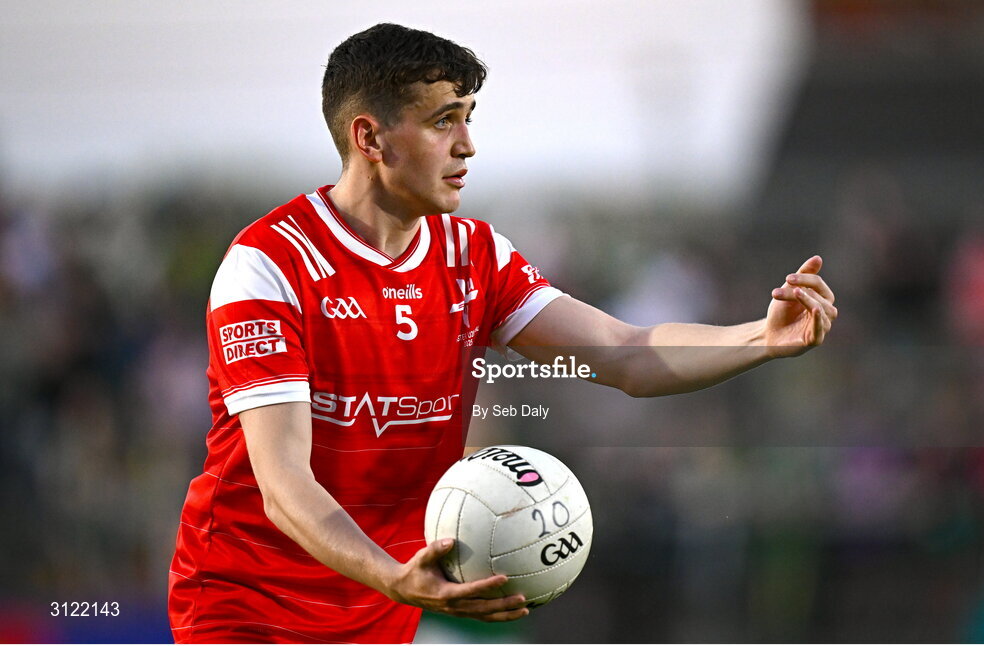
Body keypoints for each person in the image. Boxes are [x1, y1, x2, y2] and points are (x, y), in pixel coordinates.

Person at [168, 22, 838, 644]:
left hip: (381, 608)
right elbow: (284, 486)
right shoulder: (270, 264)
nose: (467, 145)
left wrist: (759, 338)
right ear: (370, 138)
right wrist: (390, 575)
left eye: (467, 119)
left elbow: (627, 355)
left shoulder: (473, 256)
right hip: (244, 606)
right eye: (442, 122)